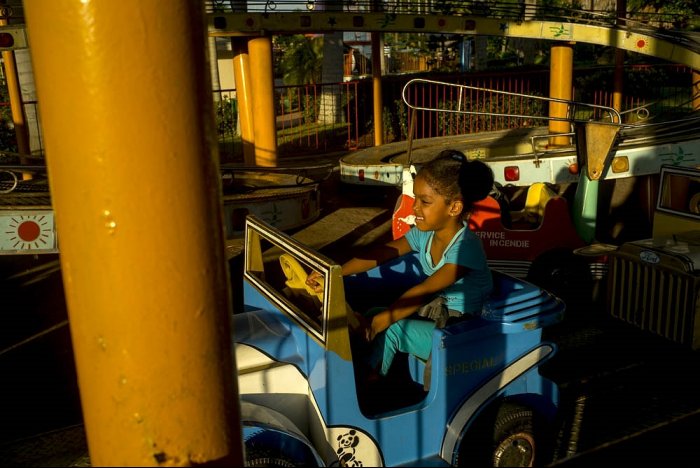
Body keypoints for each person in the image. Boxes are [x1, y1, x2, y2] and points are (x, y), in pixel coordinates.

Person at [307, 149, 494, 379]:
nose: (414, 208)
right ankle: (368, 369)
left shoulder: (466, 247)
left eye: (424, 201)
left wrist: (375, 325)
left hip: (465, 329)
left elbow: (424, 290)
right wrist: (334, 273)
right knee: (376, 312)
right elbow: (383, 252)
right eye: (415, 199)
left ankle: (367, 388)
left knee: (392, 328)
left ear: (454, 208)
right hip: (440, 314)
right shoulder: (425, 234)